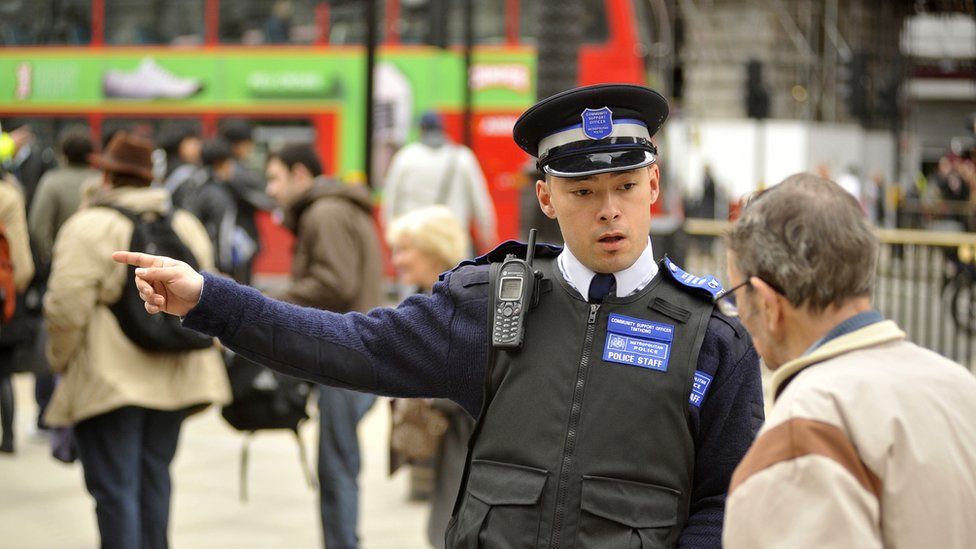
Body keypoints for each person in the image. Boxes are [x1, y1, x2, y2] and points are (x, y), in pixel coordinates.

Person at [116, 84, 764, 547]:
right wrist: (213, 299)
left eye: (626, 186)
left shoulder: (712, 339)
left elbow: (726, 502)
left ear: (653, 185)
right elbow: (351, 346)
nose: (609, 210)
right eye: (584, 191)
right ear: (545, 195)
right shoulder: (490, 303)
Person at [719, 173, 976, 548]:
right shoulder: (960, 387)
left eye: (736, 294)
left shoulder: (800, 437)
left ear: (768, 303)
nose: (737, 312)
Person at [43, 132, 230, 548]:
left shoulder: (89, 225)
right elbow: (209, 291)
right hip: (174, 383)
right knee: (155, 480)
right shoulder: (184, 225)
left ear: (106, 174)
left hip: (110, 381)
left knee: (114, 490)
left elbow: (64, 308)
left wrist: (61, 361)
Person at [264, 144, 383, 549]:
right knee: (339, 462)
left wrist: (275, 297)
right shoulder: (332, 207)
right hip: (353, 350)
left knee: (336, 466)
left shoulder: (324, 212)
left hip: (345, 355)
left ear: (300, 174)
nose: (270, 188)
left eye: (275, 177)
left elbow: (335, 283)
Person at [385, 205, 473, 548]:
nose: (397, 259)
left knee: (447, 530)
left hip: (464, 439)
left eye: (406, 249)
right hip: (449, 438)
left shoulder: (456, 299)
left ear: (434, 250)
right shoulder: (432, 295)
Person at [382, 111, 498, 254]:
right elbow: (480, 202)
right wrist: (488, 236)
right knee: (457, 276)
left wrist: (391, 237)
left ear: (421, 130)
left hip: (415, 241)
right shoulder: (462, 157)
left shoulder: (405, 157)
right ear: (443, 129)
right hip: (452, 242)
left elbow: (391, 201)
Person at [0, 162, 35, 453]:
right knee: (3, 373)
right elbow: (21, 262)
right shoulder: (9, 195)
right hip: (3, 299)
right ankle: (8, 437)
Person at [219, 119, 275, 285]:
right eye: (248, 143)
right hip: (237, 242)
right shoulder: (235, 171)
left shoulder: (226, 169)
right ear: (238, 144)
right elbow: (264, 197)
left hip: (234, 241)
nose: (250, 149)